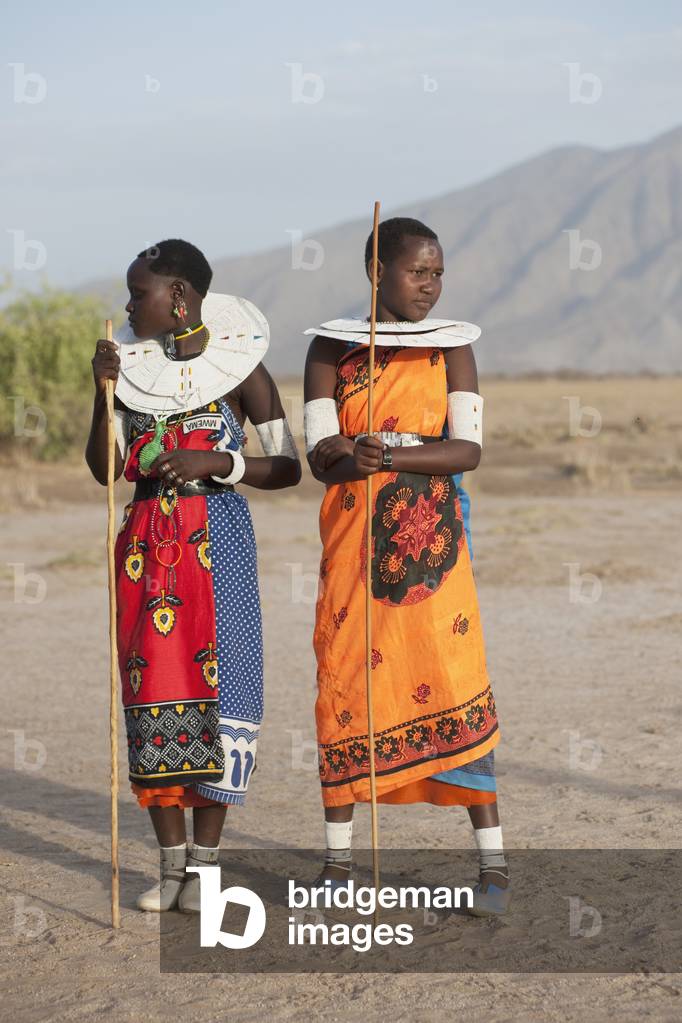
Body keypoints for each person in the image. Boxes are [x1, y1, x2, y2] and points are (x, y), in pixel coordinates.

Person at [86, 239, 301, 912]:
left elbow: (289, 466)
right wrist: (103, 394)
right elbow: (103, 469)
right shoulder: (132, 372)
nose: (128, 305)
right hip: (147, 550)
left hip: (222, 545)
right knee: (154, 694)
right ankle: (171, 868)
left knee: (228, 694)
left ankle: (205, 870)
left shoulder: (244, 370)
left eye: (138, 292)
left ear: (179, 297)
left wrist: (220, 466)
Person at [303, 217, 509, 916]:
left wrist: (389, 455)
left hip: (434, 547)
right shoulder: (332, 346)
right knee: (345, 677)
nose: (431, 285)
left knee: (456, 677)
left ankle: (493, 865)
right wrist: (347, 457)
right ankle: (338, 861)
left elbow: (468, 451)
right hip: (355, 542)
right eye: (418, 271)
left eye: (438, 273)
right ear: (376, 271)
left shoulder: (453, 347)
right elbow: (317, 455)